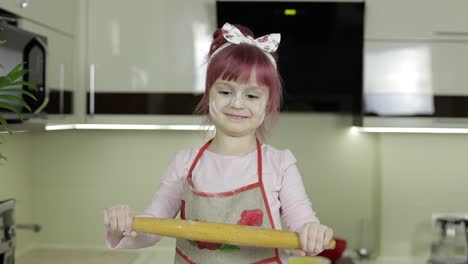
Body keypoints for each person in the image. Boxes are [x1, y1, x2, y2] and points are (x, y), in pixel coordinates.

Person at [102, 22, 333, 264]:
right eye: (225, 92)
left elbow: (303, 223)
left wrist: (313, 233)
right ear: (209, 94)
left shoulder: (280, 164)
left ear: (267, 104)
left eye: (252, 95)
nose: (237, 103)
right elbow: (151, 229)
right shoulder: (185, 164)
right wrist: (125, 226)